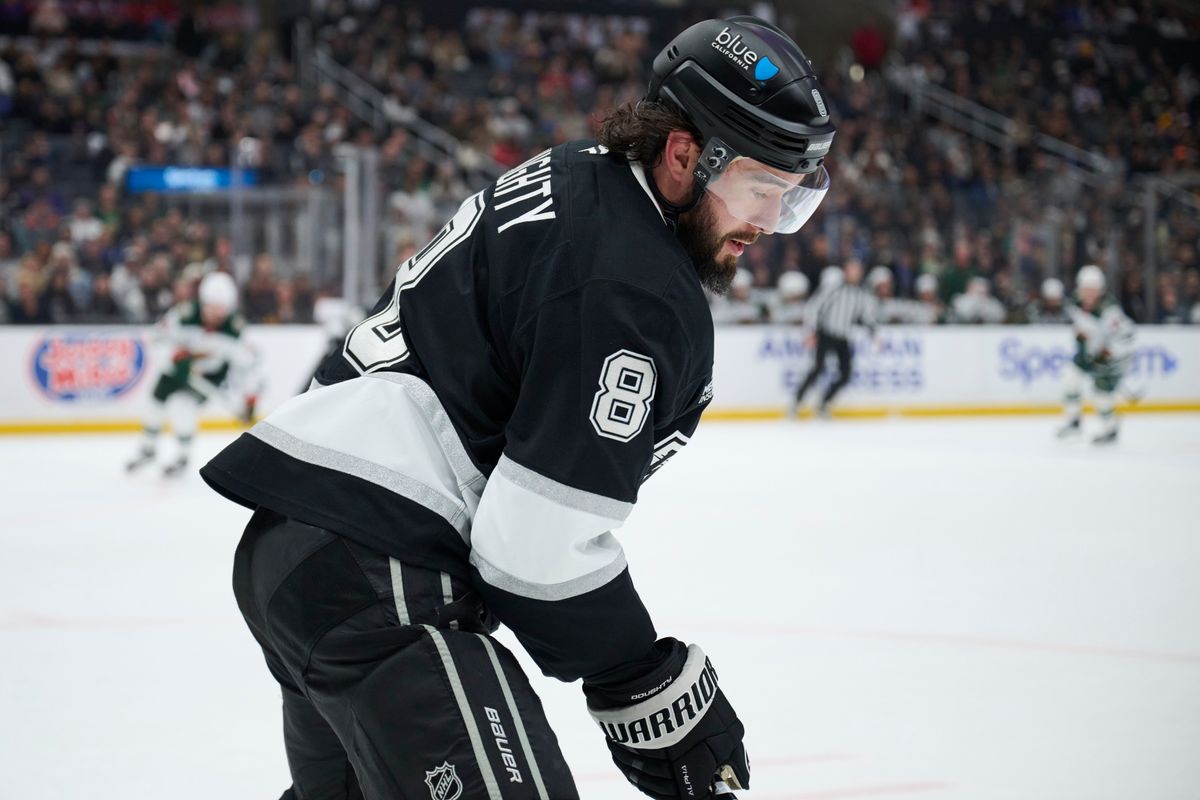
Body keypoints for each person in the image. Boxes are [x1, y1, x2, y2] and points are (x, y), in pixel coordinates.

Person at [200, 16, 836, 800]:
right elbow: (533, 543)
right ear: (682, 155)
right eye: (762, 189)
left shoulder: (577, 174)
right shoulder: (634, 288)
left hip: (307, 549)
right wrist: (639, 677)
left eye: (792, 199)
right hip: (380, 573)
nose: (769, 224)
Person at [127, 271, 260, 477]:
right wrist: (172, 357)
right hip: (176, 370)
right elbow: (157, 339)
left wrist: (250, 398)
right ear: (204, 302)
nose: (217, 315)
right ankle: (148, 448)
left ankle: (183, 456)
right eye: (213, 308)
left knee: (183, 405)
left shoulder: (236, 329)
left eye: (222, 309)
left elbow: (247, 366)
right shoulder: (184, 315)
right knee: (155, 404)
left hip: (208, 376)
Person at [1057, 265, 1135, 445]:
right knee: (1070, 378)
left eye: (1093, 290)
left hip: (1112, 359)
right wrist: (1081, 337)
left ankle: (1110, 428)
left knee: (1101, 394)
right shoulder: (1075, 302)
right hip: (1090, 352)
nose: (1089, 294)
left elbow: (1127, 337)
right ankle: (1074, 421)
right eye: (1085, 289)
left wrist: (1109, 352)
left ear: (1101, 290)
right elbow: (1081, 325)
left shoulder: (1110, 311)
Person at [791, 260, 876, 417]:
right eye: (852, 270)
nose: (855, 273)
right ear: (845, 271)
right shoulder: (833, 289)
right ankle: (797, 401)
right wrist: (811, 331)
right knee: (818, 369)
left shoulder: (860, 294)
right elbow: (814, 308)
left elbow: (865, 316)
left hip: (843, 337)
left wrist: (873, 333)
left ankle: (824, 402)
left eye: (857, 270)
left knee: (846, 374)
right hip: (826, 334)